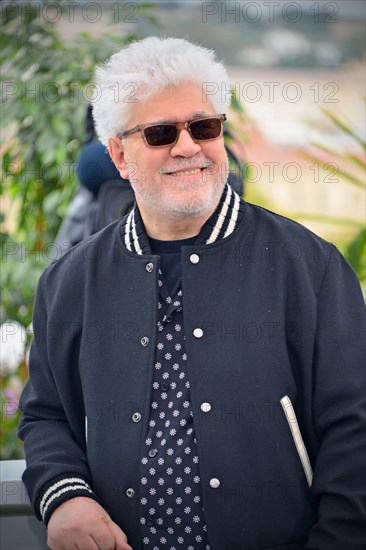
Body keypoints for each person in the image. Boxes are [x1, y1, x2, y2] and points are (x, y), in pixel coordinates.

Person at [18, 37, 365, 550]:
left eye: (203, 126)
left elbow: (355, 431)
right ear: (119, 154)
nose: (188, 147)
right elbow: (45, 414)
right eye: (160, 133)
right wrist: (65, 495)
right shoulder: (69, 281)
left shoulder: (310, 268)